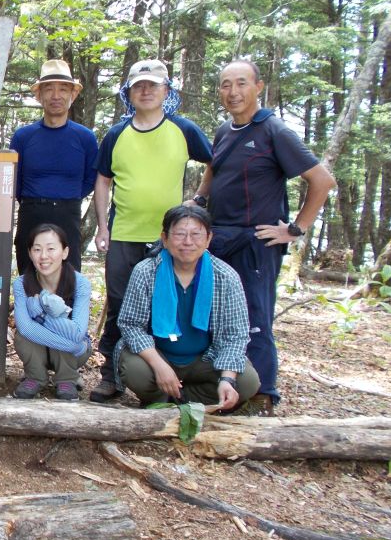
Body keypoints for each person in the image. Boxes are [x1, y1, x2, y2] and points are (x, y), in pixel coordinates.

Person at [190, 59, 335, 414]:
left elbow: (322, 181)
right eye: (226, 84)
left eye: (241, 83)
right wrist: (198, 199)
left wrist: (295, 229)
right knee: (216, 313)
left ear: (259, 86)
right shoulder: (226, 130)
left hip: (256, 242)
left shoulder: (273, 131)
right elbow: (214, 167)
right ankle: (224, 386)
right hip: (219, 237)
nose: (233, 92)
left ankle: (262, 394)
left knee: (254, 316)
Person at [90, 58, 212, 402]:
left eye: (153, 86)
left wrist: (198, 200)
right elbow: (103, 179)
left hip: (172, 240)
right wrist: (103, 227)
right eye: (138, 86)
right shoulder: (116, 134)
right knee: (119, 306)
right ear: (128, 93)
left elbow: (214, 162)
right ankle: (111, 376)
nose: (145, 91)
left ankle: (167, 375)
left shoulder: (183, 130)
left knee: (167, 303)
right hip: (124, 233)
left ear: (166, 91)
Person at [116, 205, 260, 410]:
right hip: (160, 354)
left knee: (247, 382)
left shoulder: (226, 276)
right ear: (164, 238)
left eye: (196, 235)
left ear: (208, 238)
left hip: (205, 358)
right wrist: (160, 366)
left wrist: (228, 380)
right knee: (135, 371)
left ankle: (181, 399)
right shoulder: (146, 271)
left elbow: (235, 335)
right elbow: (131, 325)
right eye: (180, 234)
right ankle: (158, 398)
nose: (188, 242)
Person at [10, 60, 97, 273]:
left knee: (68, 275)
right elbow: (14, 182)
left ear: (72, 95)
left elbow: (90, 179)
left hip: (69, 213)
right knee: (28, 274)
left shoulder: (85, 138)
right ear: (39, 95)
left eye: (63, 89)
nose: (56, 96)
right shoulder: (23, 137)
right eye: (49, 89)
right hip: (31, 211)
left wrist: (65, 196)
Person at [11, 224, 93, 400]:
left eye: (51, 249)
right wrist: (69, 341)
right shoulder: (21, 283)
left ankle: (67, 379)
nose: (44, 256)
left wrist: (41, 314)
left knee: (67, 332)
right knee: (22, 337)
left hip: (75, 353)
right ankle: (35, 377)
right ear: (30, 253)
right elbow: (25, 328)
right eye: (37, 249)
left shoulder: (81, 283)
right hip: (48, 347)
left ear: (64, 252)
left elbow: (78, 333)